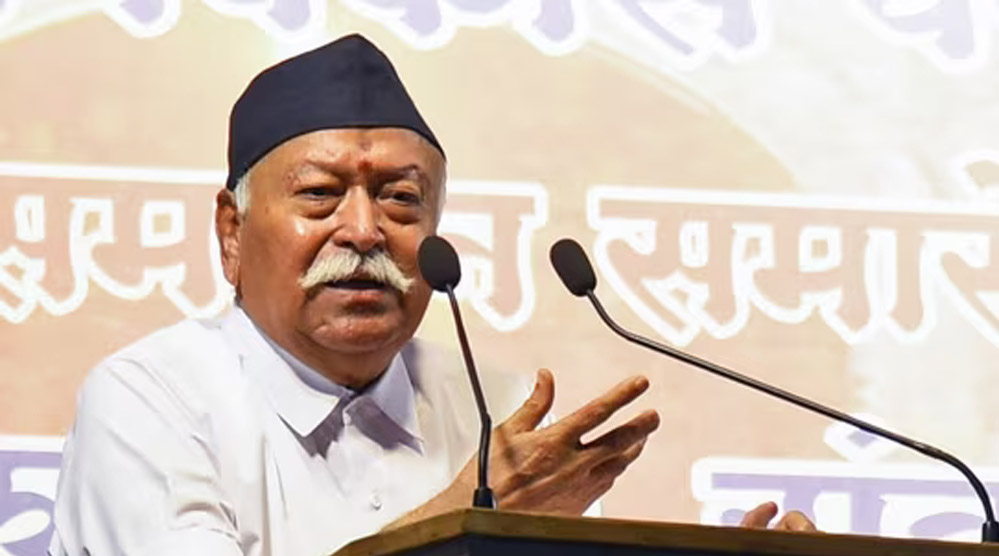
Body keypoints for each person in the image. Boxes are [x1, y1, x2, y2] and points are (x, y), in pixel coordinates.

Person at [49, 34, 813, 556]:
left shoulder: (497, 408)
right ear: (231, 232)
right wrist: (468, 522)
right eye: (319, 195)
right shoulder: (150, 399)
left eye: (400, 200)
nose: (363, 231)